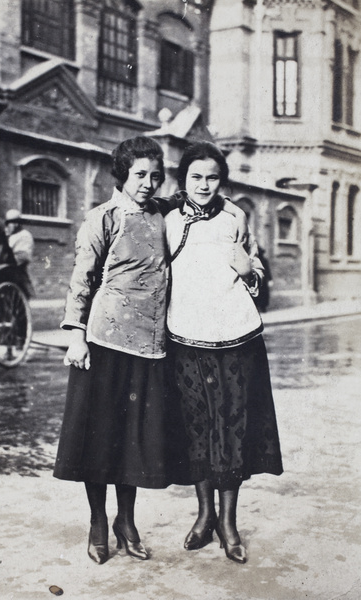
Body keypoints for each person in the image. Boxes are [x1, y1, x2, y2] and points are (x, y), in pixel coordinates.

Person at [53, 136, 189, 565]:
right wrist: (76, 336)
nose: (148, 183)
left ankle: (125, 522)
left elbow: (198, 198)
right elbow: (82, 278)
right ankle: (98, 523)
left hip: (150, 347)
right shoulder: (103, 218)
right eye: (139, 175)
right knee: (100, 439)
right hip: (105, 343)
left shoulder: (161, 213)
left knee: (133, 440)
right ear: (122, 176)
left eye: (155, 176)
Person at [165, 141, 283, 564]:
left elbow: (255, 276)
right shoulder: (168, 220)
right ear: (183, 178)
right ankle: (204, 516)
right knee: (198, 426)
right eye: (196, 176)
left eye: (212, 177)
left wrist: (250, 270)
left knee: (232, 425)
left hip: (236, 335)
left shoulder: (236, 216)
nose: (203, 184)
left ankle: (229, 523)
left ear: (221, 181)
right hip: (185, 337)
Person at [0, 209, 34, 297]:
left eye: (9, 224)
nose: (7, 227)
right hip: (5, 268)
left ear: (17, 224)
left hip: (16, 271)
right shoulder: (10, 236)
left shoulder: (24, 235)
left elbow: (23, 257)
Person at [254, 246, 273, 312]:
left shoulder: (263, 260)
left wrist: (270, 279)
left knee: (262, 294)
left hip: (261, 280)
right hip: (259, 280)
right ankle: (260, 307)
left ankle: (262, 308)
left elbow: (267, 270)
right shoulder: (255, 261)